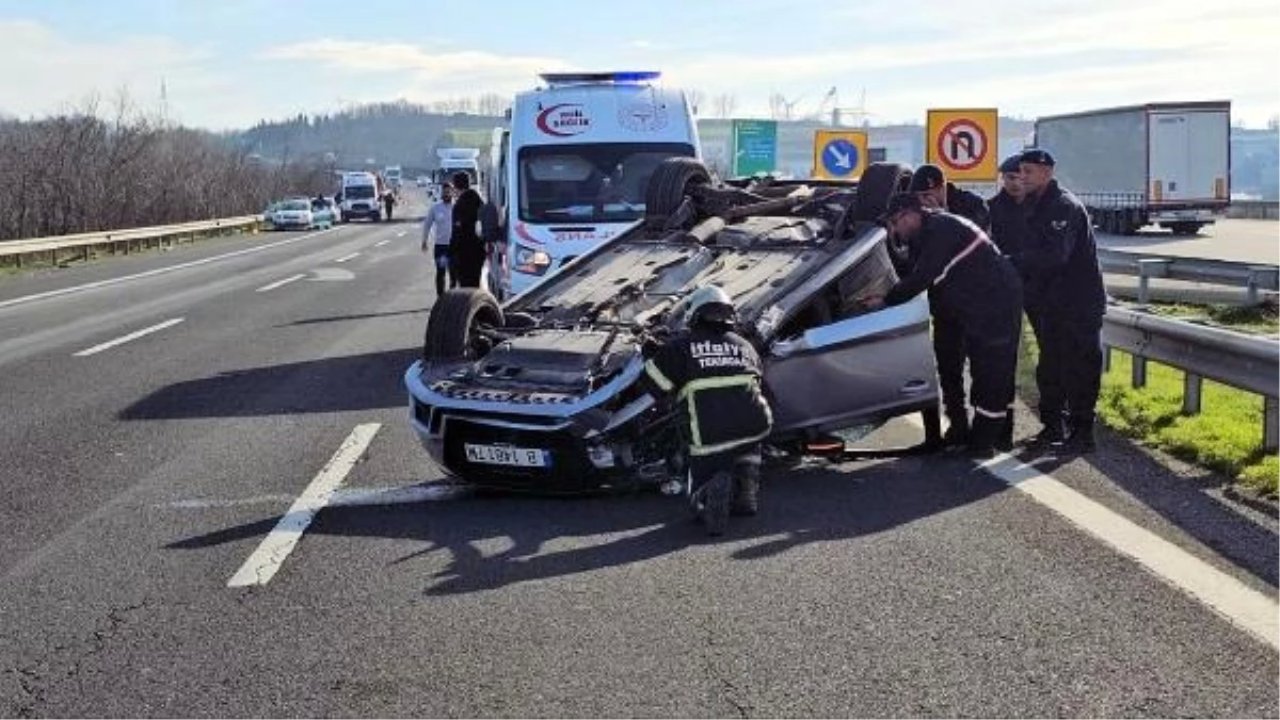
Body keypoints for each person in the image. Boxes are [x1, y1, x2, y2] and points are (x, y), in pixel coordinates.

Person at [866, 194, 1023, 456]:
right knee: (949, 364)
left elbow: (923, 276)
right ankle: (959, 430)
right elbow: (910, 271)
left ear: (910, 214)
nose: (895, 230)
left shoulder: (942, 229)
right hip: (960, 304)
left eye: (896, 223)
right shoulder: (921, 235)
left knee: (989, 369)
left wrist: (886, 300)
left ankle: (985, 442)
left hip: (995, 301)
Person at [641, 286, 774, 536]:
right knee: (748, 444)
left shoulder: (679, 347)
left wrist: (650, 354)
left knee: (701, 468)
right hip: (756, 423)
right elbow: (759, 380)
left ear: (694, 314)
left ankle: (705, 496)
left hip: (708, 432)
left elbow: (656, 387)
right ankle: (747, 489)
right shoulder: (744, 345)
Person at [1017, 148, 1107, 453]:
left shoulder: (1062, 206)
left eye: (1029, 171)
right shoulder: (1034, 205)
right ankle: (1053, 427)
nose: (1023, 177)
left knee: (1080, 368)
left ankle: (1082, 433)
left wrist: (1013, 262)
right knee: (1051, 368)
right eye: (1021, 171)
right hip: (1052, 304)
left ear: (1047, 172)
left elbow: (1055, 256)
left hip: (1078, 303)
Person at [907, 164, 993, 449]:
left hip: (976, 301)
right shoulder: (920, 215)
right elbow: (917, 258)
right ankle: (957, 426)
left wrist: (942, 217)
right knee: (947, 368)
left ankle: (986, 432)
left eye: (928, 194)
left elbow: (972, 239)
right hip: (944, 303)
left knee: (983, 367)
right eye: (919, 196)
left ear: (942, 187)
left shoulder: (971, 204)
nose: (924, 201)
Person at [449, 172, 486, 288]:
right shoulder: (479, 201)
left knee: (465, 286)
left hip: (463, 252)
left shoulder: (459, 205)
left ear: (455, 186)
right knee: (475, 284)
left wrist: (451, 250)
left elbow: (457, 231)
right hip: (479, 249)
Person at [422, 183, 457, 297]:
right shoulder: (435, 208)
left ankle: (453, 298)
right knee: (441, 272)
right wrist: (424, 240)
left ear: (452, 192)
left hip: (454, 247)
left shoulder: (456, 207)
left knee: (453, 274)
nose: (446, 194)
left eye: (448, 192)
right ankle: (440, 298)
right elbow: (427, 224)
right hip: (441, 247)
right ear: (441, 193)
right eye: (444, 192)